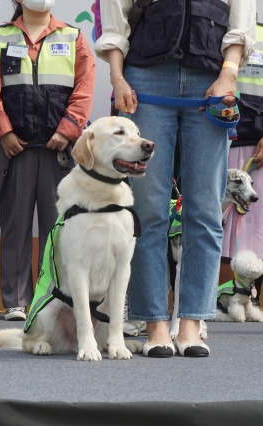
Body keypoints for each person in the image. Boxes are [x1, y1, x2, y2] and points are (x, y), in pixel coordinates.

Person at [95, 0, 255, 357]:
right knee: (149, 208)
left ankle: (192, 324)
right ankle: (154, 323)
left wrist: (229, 73)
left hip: (211, 75)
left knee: (205, 209)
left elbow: (241, 16)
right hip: (146, 75)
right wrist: (117, 77)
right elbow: (116, 17)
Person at [0, 0, 95, 321]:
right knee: (14, 224)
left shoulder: (73, 37)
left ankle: (51, 296)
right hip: (11, 148)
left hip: (59, 148)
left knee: (56, 227)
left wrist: (68, 130)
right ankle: (16, 301)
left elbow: (84, 89)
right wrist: (3, 132)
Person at [222, 20, 263, 306]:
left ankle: (249, 297)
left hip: (256, 143)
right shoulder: (208, 23)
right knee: (212, 221)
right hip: (212, 134)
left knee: (254, 223)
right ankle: (217, 296)